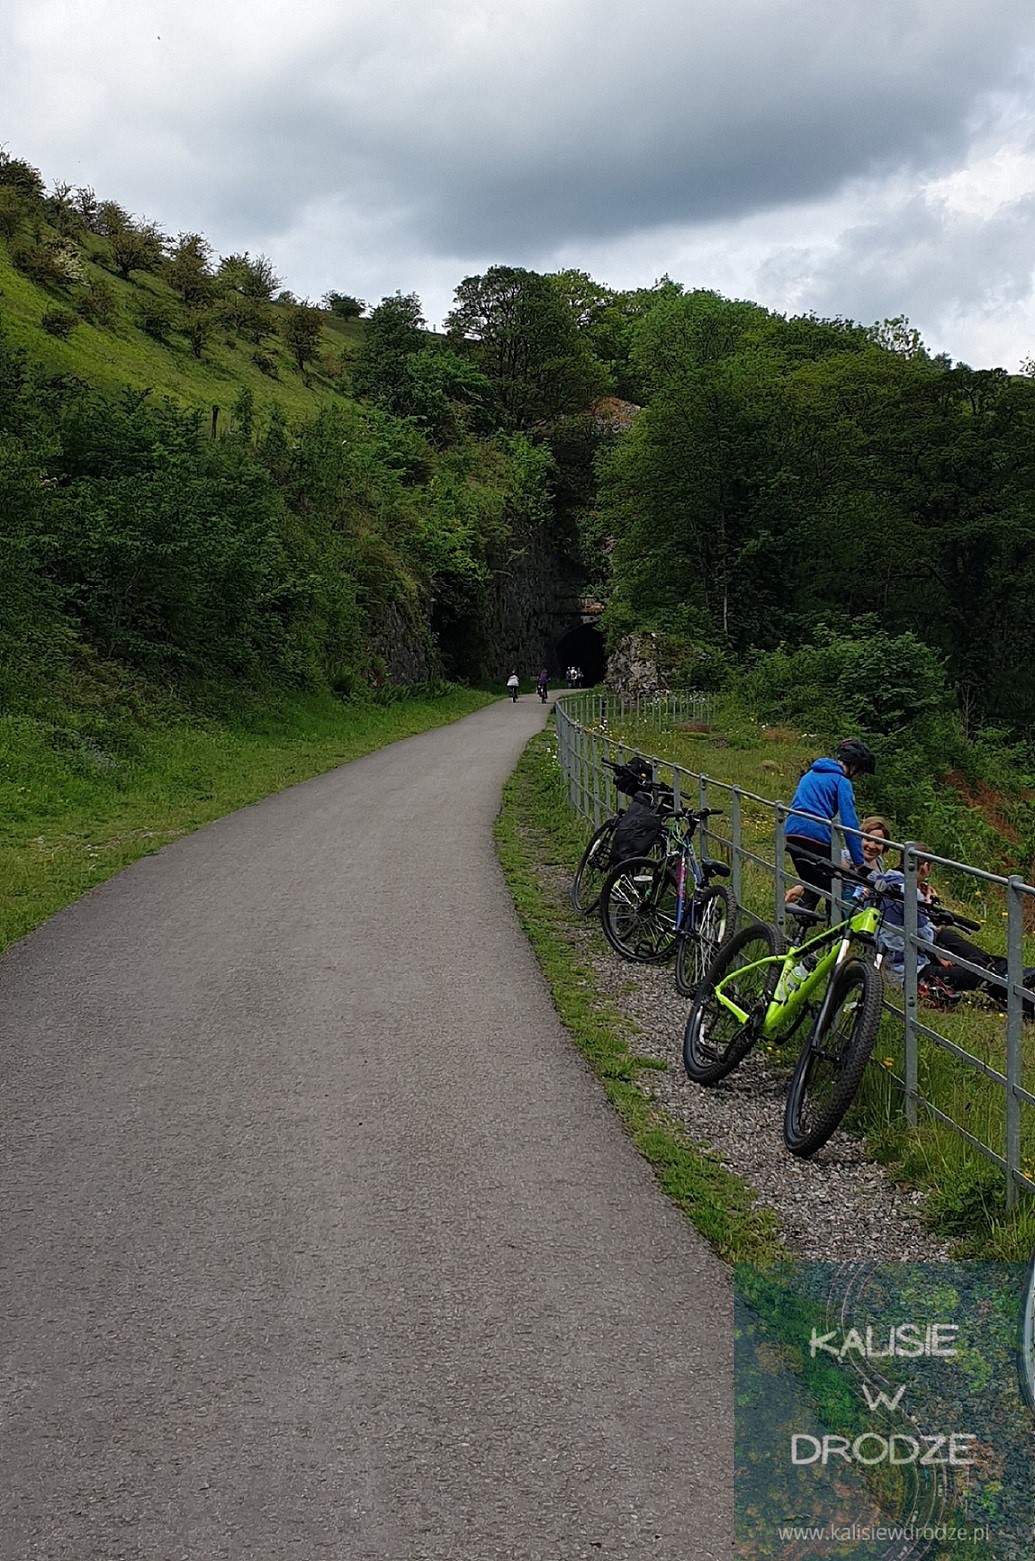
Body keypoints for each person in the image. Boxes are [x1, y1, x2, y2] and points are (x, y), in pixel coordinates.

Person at [784, 739, 876, 913]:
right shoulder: (842, 781)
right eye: (861, 772)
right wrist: (858, 862)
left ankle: (803, 917)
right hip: (816, 833)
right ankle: (833, 926)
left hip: (792, 830)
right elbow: (849, 823)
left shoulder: (810, 774)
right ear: (854, 766)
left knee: (815, 879)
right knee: (836, 882)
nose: (859, 777)